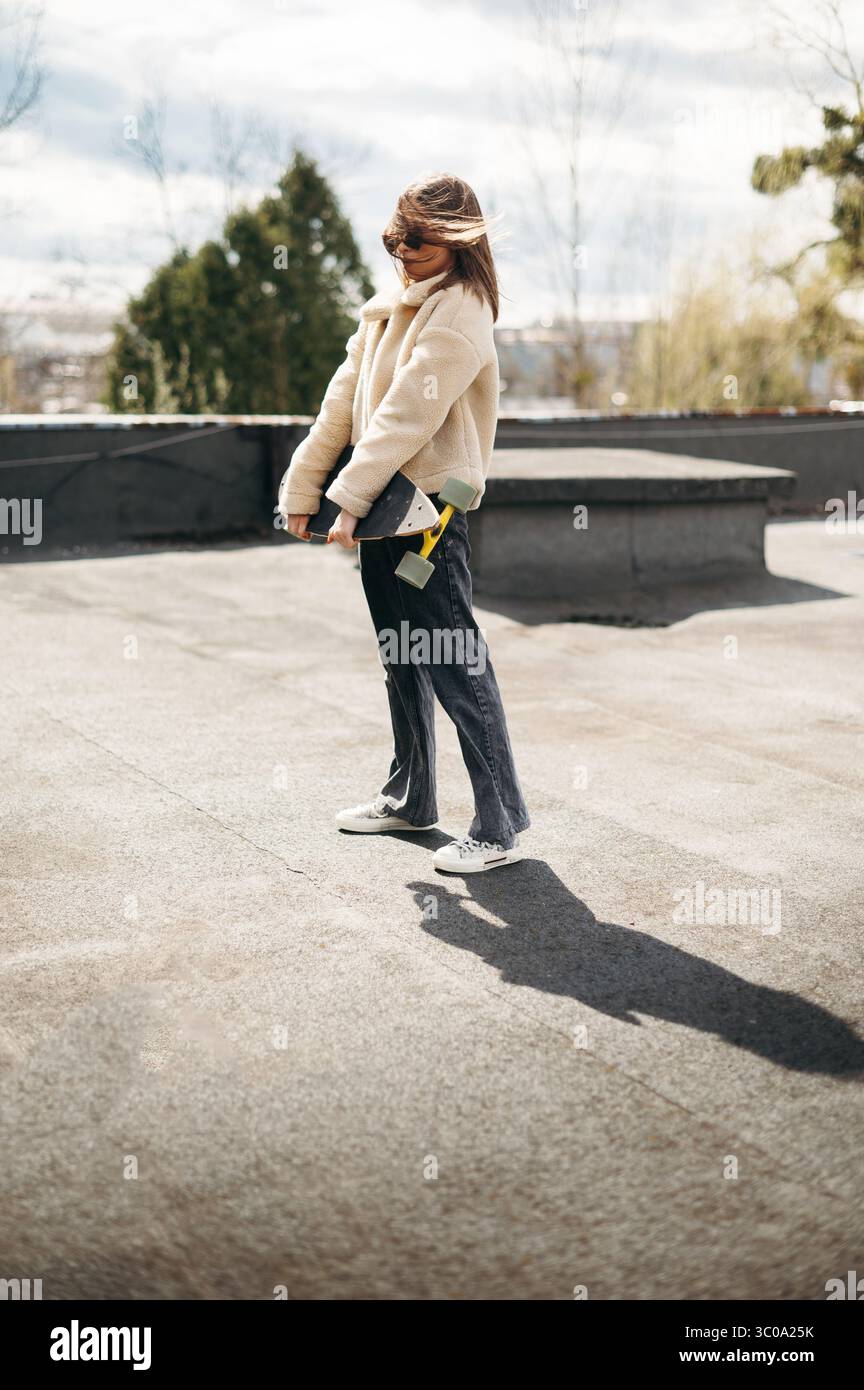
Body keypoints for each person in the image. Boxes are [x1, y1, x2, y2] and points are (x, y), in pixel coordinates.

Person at [278, 172, 530, 873]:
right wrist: (304, 485)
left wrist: (348, 498)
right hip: (386, 511)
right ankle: (413, 799)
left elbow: (405, 418)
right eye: (395, 237)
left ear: (456, 239)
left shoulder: (461, 309)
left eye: (416, 240)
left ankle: (499, 824)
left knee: (452, 656)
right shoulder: (389, 308)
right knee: (401, 654)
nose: (401, 251)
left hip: (429, 510)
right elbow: (344, 401)